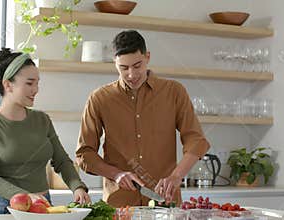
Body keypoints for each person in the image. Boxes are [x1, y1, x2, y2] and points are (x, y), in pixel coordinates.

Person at [75, 30, 210, 207]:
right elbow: (84, 153)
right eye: (124, 68)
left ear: (147, 57)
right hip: (119, 204)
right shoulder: (99, 99)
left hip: (165, 203)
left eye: (137, 65)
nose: (131, 74)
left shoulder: (174, 92)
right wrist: (116, 174)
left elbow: (196, 140)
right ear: (115, 63)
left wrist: (177, 176)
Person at [0, 48, 91, 214]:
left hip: (43, 205)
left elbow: (62, 161)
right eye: (29, 83)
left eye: (37, 83)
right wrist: (24, 196)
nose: (36, 89)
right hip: (5, 207)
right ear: (8, 85)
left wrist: (77, 187)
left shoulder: (42, 120)